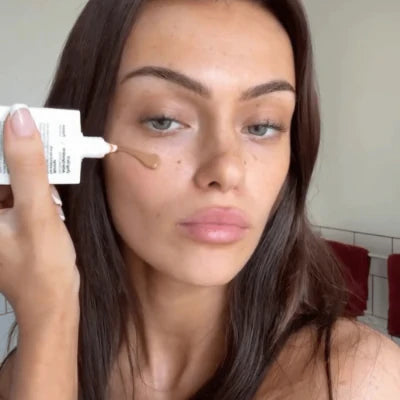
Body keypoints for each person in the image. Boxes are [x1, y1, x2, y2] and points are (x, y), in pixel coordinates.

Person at [0, 0, 399, 399]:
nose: (226, 170)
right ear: (85, 136)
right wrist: (49, 317)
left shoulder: (355, 381)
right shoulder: (28, 370)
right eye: (164, 120)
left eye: (262, 126)